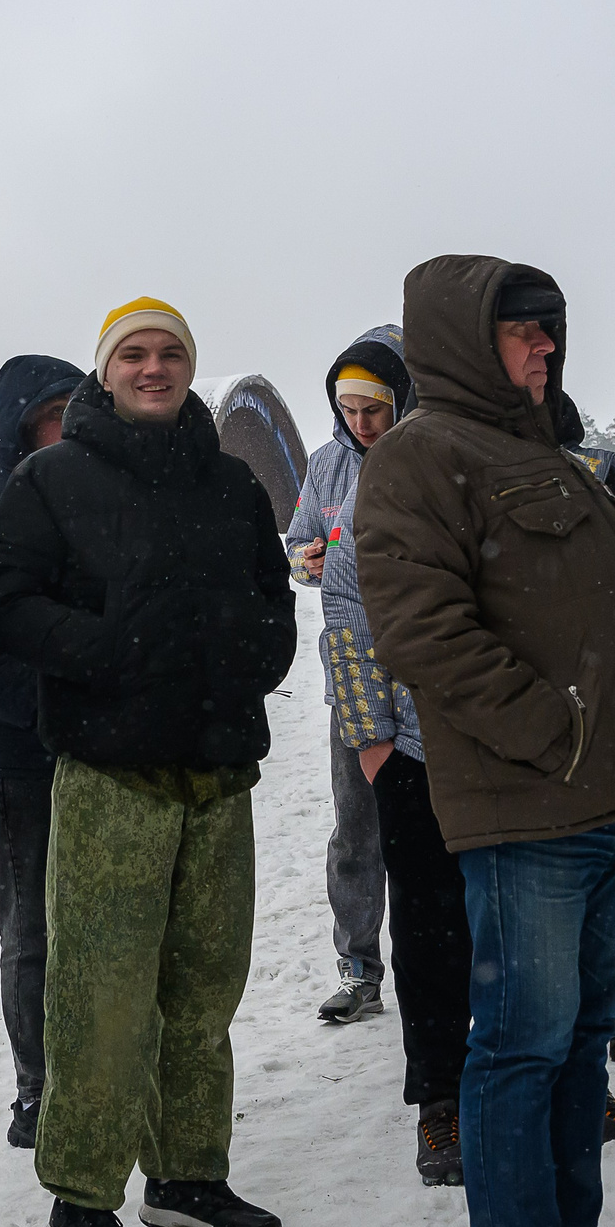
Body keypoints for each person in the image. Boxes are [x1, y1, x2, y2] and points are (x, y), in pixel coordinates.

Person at [355, 257, 615, 1227]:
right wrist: (555, 734)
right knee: (516, 1054)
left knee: (574, 1057)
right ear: (462, 342)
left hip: (602, 805)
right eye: (519, 333)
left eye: (550, 330)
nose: (543, 346)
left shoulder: (547, 447)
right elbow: (420, 633)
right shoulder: (420, 457)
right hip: (527, 808)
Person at [0, 297, 297, 1227]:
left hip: (216, 768)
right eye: (133, 354)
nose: (152, 368)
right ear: (103, 372)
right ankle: (79, 1199)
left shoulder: (233, 486)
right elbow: (3, 601)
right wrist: (106, 651)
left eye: (169, 354)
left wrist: (250, 658)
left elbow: (272, 603)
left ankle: (186, 1176)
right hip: (111, 773)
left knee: (202, 988)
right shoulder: (51, 480)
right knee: (100, 998)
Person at [0, 354, 85, 1149]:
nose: (69, 426)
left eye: (79, 409)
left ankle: (101, 1070)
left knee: (104, 921)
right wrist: (51, 711)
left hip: (104, 747)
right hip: (20, 755)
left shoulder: (98, 489)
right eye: (55, 412)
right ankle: (36, 1085)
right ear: (20, 421)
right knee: (32, 920)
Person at [286, 327, 414, 1027]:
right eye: (350, 410)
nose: (361, 424)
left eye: (375, 409)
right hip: (352, 682)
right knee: (356, 827)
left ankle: (452, 956)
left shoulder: (421, 456)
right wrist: (303, 557)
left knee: (422, 826)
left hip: (422, 681)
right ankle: (360, 965)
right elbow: (300, 539)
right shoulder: (325, 465)